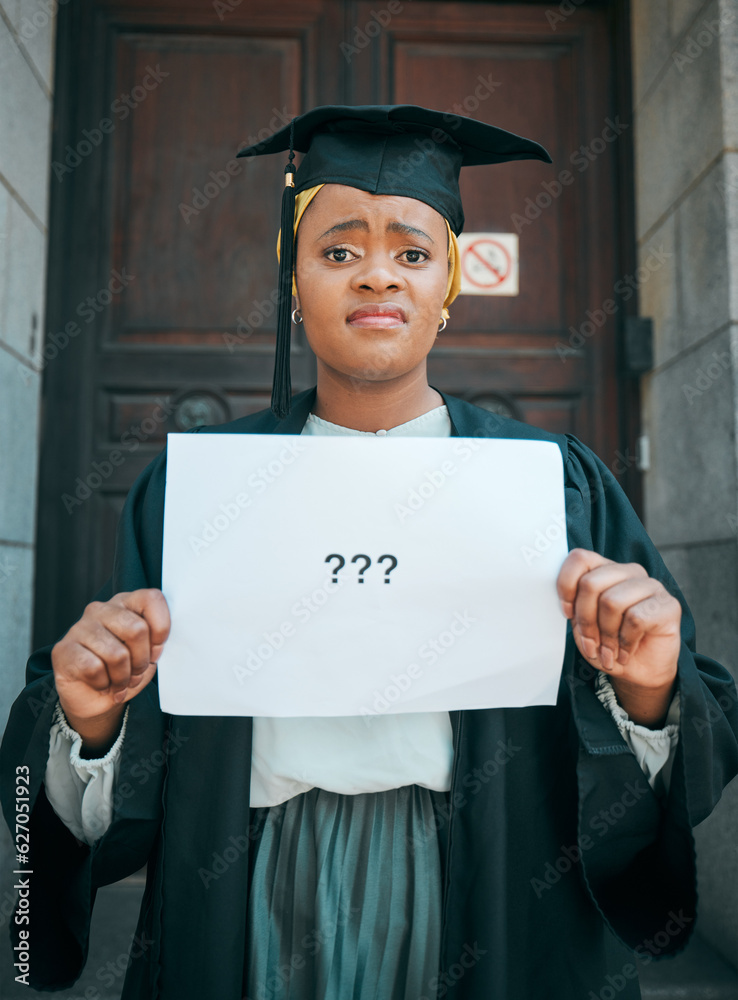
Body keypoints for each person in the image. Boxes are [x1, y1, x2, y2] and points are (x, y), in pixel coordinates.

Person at [2, 105, 737, 1000]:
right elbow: (106, 743)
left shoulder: (550, 484)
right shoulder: (207, 492)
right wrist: (91, 721)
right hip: (252, 882)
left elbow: (696, 730)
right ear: (294, 279)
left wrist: (647, 689)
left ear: (449, 287)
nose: (376, 276)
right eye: (338, 251)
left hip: (489, 881)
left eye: (414, 253)